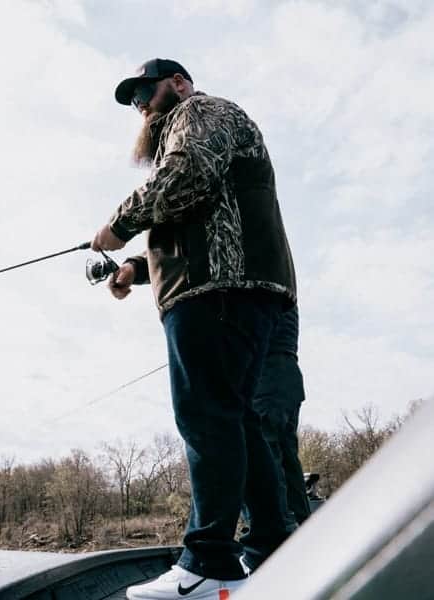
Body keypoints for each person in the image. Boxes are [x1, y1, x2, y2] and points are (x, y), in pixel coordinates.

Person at [91, 58, 298, 599]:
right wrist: (135, 268)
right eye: (134, 100)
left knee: (206, 416)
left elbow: (187, 175)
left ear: (177, 83)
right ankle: (274, 549)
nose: (141, 105)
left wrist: (118, 223)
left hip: (217, 291)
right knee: (238, 421)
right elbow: (196, 210)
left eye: (146, 91)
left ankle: (208, 562)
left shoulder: (200, 110)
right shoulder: (193, 123)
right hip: (238, 290)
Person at [249, 305, 311, 531]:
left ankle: (277, 535)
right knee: (286, 459)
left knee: (263, 455)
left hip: (266, 376)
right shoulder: (283, 286)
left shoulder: (266, 284)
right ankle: (300, 530)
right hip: (286, 377)